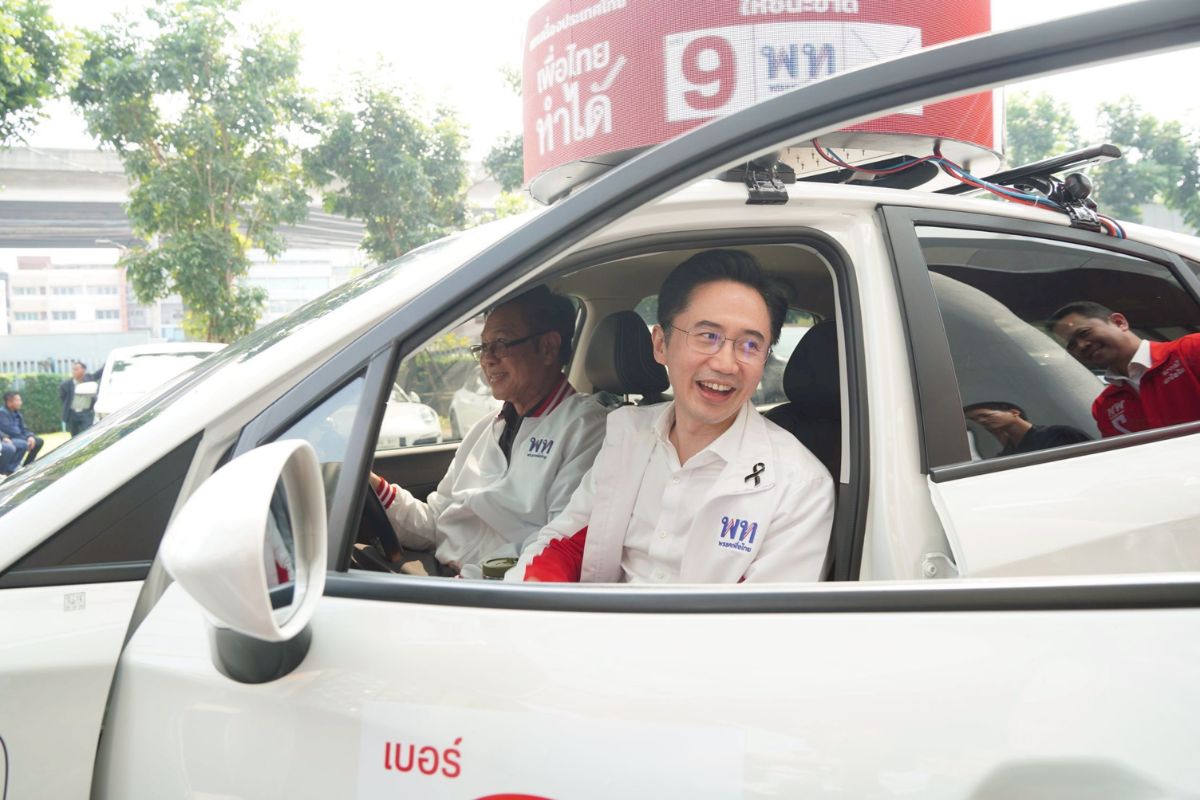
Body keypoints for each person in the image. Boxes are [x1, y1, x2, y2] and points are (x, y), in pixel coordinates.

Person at [512, 249, 834, 584]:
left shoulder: (799, 485)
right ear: (661, 344)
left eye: (750, 345)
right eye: (708, 336)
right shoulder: (627, 439)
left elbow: (763, 615)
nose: (726, 364)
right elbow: (562, 543)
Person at [367, 286, 608, 577]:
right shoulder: (487, 427)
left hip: (494, 589)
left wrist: (469, 581)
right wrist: (374, 487)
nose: (487, 359)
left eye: (501, 343)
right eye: (483, 347)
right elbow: (437, 522)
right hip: (447, 576)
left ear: (547, 348)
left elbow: (558, 545)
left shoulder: (587, 428)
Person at [1049, 301, 1200, 437]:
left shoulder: (1192, 349)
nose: (1082, 345)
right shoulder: (1104, 405)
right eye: (1072, 345)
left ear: (1119, 322)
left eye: (1084, 333)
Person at [963, 400, 1091, 456]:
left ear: (1014, 412)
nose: (981, 421)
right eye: (975, 420)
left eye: (985, 415)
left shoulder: (1060, 434)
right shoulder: (1008, 451)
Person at [0, 392, 44, 474]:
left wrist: (30, 436)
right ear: (9, 402)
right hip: (9, 438)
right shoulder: (2, 413)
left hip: (18, 437)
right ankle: (10, 469)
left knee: (38, 441)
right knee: (22, 444)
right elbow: (9, 430)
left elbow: (24, 428)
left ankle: (27, 465)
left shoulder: (17, 413)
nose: (20, 402)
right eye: (18, 400)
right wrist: (26, 438)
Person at [59, 361, 96, 436]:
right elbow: (63, 397)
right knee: (74, 436)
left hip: (86, 413)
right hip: (73, 414)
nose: (73, 371)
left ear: (83, 370)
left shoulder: (89, 380)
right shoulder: (66, 384)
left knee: (89, 433)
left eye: (76, 369)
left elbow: (99, 373)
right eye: (73, 369)